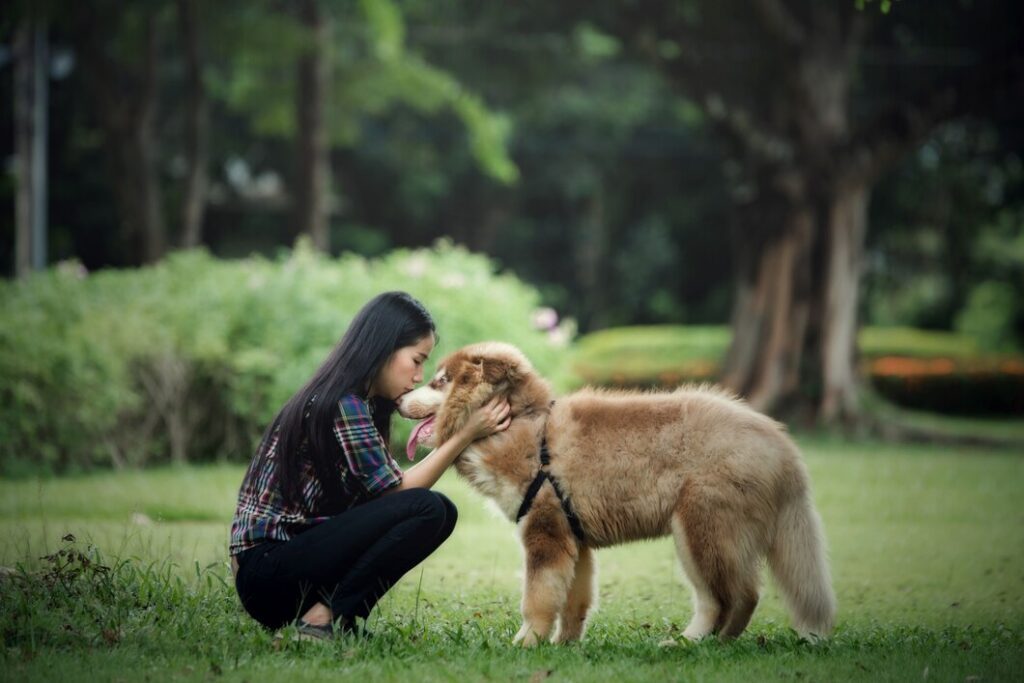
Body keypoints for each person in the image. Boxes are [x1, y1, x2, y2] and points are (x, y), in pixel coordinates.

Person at [229, 291, 511, 639]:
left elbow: (383, 501)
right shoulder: (340, 403)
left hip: (277, 573)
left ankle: (330, 617)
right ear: (383, 348)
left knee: (437, 510)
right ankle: (323, 619)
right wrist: (464, 434)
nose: (419, 375)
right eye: (417, 359)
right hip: (268, 573)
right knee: (430, 508)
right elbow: (403, 494)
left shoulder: (354, 401)